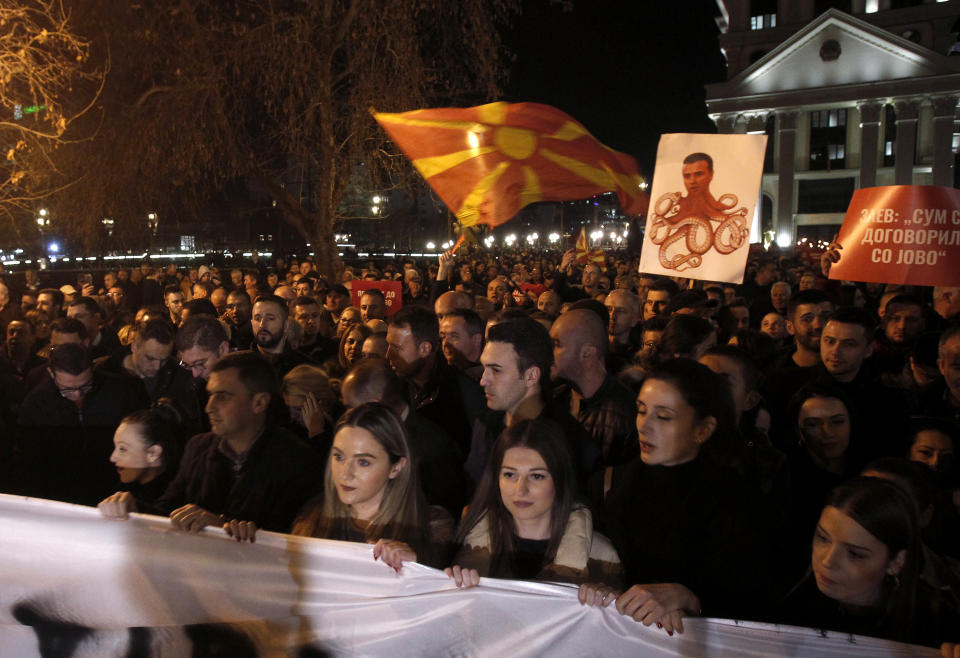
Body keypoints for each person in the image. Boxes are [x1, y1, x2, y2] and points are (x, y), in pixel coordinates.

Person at [595, 359, 772, 632]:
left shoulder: (736, 501)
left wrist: (689, 598)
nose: (644, 425)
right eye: (641, 411)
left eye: (664, 416)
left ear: (703, 429)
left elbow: (750, 601)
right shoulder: (611, 483)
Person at [103, 351, 324, 538]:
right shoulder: (198, 448)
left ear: (259, 402)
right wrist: (136, 508)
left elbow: (294, 542)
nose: (209, 407)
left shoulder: (297, 462)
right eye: (210, 395)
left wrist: (223, 529)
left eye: (223, 396)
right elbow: (167, 513)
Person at [779, 477, 960, 650]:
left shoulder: (938, 623)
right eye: (823, 538)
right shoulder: (794, 601)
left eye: (855, 554)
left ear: (895, 562)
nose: (827, 561)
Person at [446, 418, 622, 588]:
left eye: (536, 476)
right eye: (509, 474)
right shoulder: (464, 545)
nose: (520, 490)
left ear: (560, 480)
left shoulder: (602, 556)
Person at [292, 402, 453, 569]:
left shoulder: (433, 528)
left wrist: (416, 567)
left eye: (363, 462)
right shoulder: (312, 516)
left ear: (396, 467)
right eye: (339, 457)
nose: (345, 474)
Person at [550, 309, 637, 468]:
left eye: (556, 345)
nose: (549, 352)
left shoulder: (625, 413)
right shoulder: (555, 399)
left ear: (587, 352)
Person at [97, 409, 181, 517]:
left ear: (153, 453)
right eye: (115, 448)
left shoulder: (177, 497)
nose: (112, 458)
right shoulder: (121, 487)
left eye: (123, 449)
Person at [250, 294, 312, 377]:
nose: (262, 325)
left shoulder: (306, 369)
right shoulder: (238, 365)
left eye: (270, 319)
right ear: (251, 322)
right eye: (257, 318)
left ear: (286, 325)